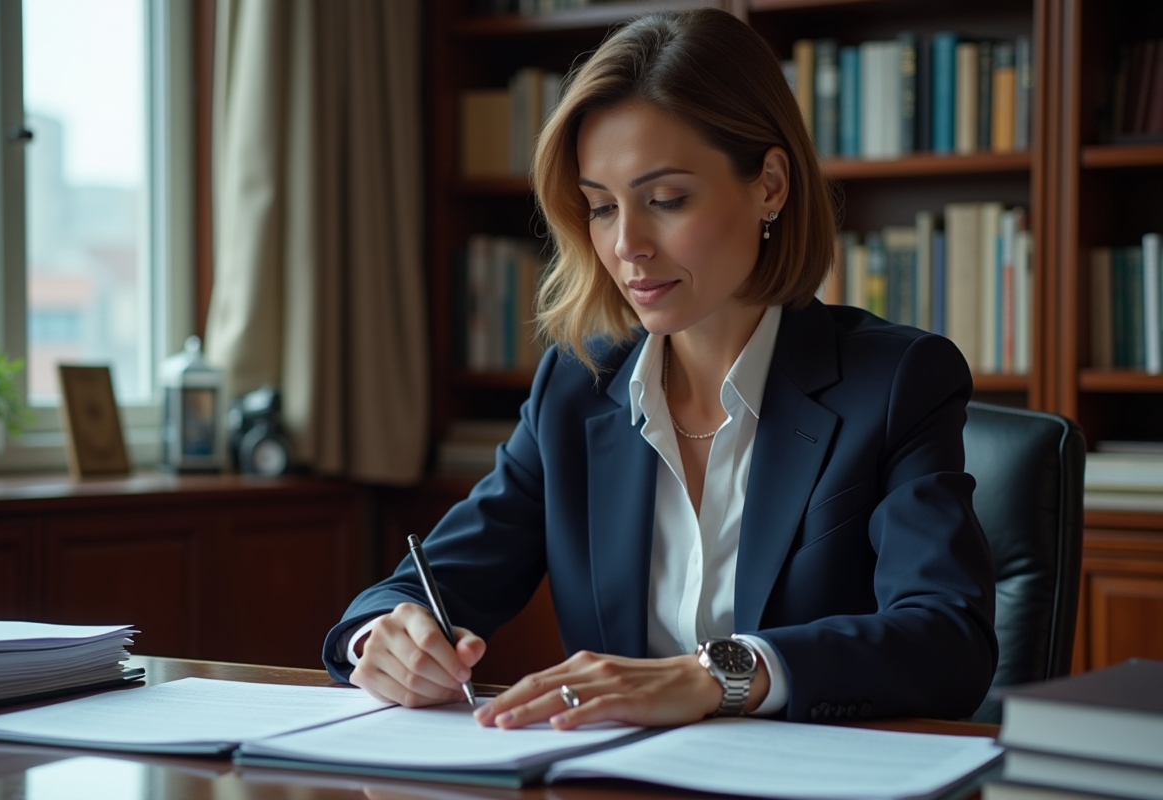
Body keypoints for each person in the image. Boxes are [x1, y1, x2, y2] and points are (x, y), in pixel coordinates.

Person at [323, 8, 997, 730]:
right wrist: (387, 638)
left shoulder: (895, 382)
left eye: (666, 200)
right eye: (601, 208)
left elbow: (946, 640)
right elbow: (427, 585)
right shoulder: (574, 390)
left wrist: (719, 675)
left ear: (770, 184)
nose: (627, 246)